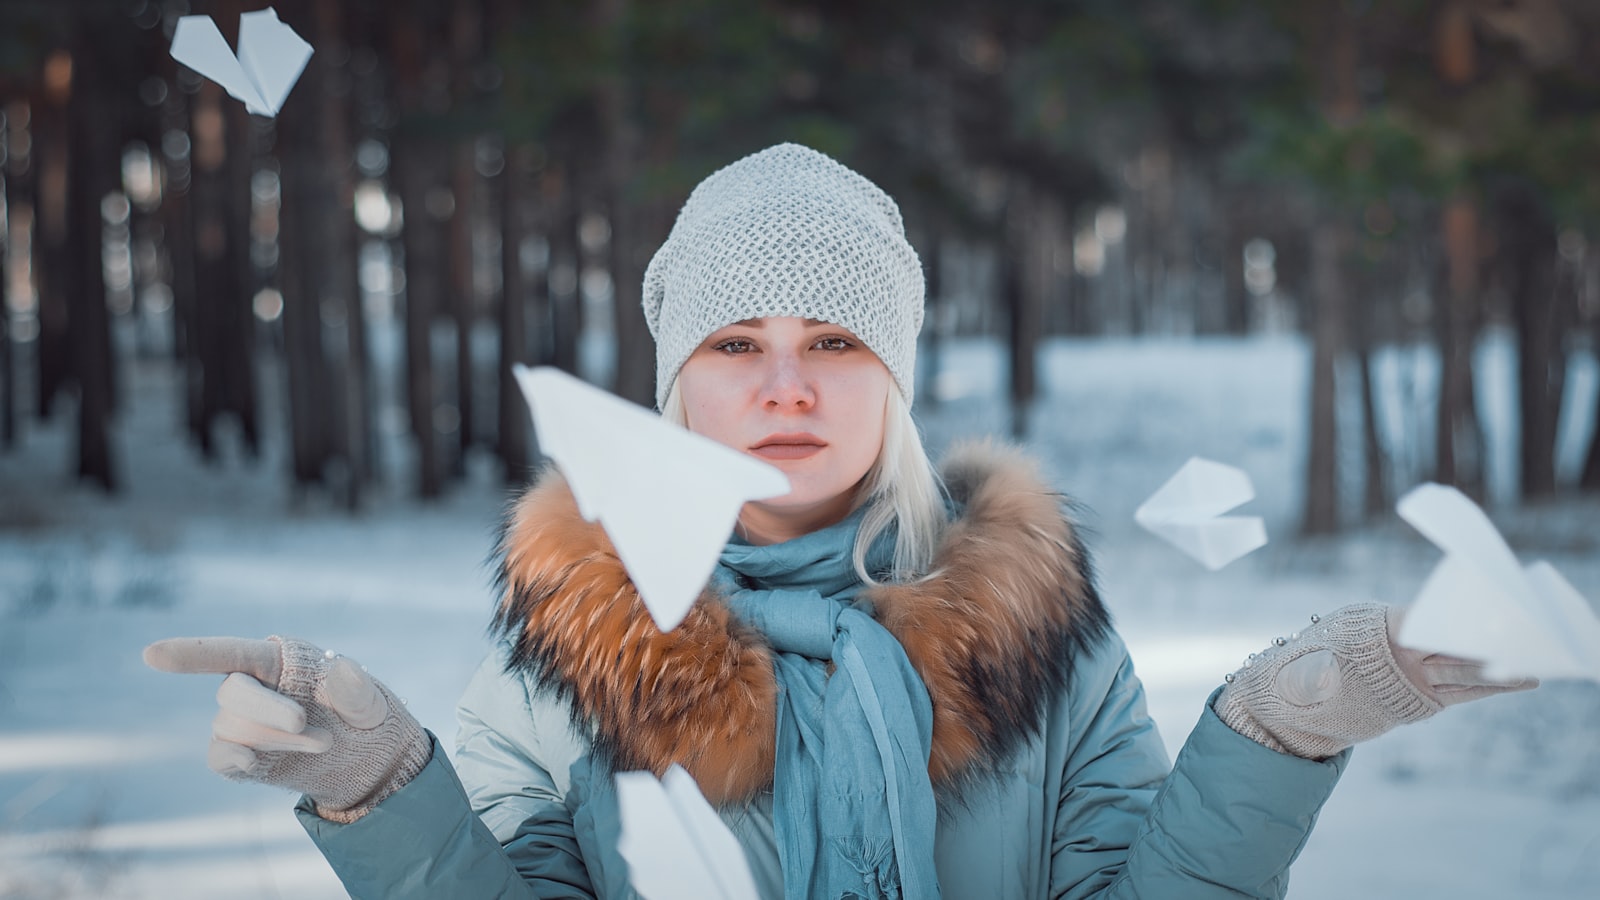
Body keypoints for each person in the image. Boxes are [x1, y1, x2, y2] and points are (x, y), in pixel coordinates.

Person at [145, 143, 1534, 900]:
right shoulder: (563, 660)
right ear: (674, 383)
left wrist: (1272, 736)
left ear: (899, 380)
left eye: (836, 342)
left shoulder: (1043, 644)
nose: (789, 386)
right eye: (738, 344)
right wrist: (386, 794)